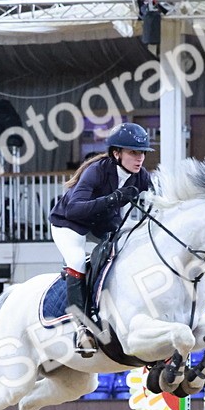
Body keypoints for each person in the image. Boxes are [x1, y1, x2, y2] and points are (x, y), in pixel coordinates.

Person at [48, 122, 154, 355]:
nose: (140, 159)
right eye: (133, 153)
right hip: (70, 223)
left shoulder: (141, 177)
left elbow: (157, 205)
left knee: (125, 252)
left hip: (103, 224)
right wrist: (114, 198)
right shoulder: (96, 171)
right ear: (117, 153)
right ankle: (81, 328)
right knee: (76, 259)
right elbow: (75, 209)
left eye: (143, 153)